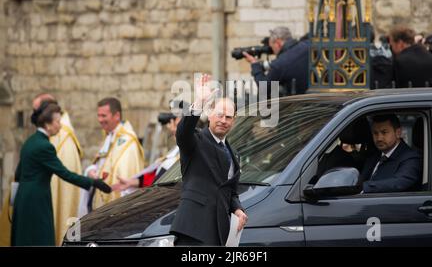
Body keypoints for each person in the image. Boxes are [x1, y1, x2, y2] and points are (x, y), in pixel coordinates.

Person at [11, 102, 111, 246]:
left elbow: (18, 173)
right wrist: (93, 183)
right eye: (58, 121)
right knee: (39, 238)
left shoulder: (30, 141)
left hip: (23, 198)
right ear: (48, 124)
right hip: (37, 200)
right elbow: (65, 174)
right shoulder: (45, 146)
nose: (60, 125)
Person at [170, 74, 247, 246]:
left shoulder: (233, 153)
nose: (223, 121)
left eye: (228, 117)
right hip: (193, 229)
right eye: (219, 115)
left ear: (234, 121)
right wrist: (199, 101)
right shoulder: (196, 140)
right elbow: (183, 133)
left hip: (218, 231)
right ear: (210, 114)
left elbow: (228, 190)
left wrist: (237, 208)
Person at [32, 93, 83, 246]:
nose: (33, 116)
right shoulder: (50, 132)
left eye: (36, 111)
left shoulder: (63, 135)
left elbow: (65, 176)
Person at [78, 97, 145, 216]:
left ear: (117, 116)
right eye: (98, 115)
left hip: (115, 209)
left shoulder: (128, 142)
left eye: (104, 116)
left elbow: (125, 174)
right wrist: (92, 171)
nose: (100, 119)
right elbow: (100, 163)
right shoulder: (110, 136)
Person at [112, 114, 182, 191]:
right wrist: (131, 182)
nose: (172, 129)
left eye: (176, 125)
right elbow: (155, 178)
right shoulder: (174, 152)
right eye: (174, 125)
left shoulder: (188, 154)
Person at [359, 114, 422, 194]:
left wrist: (364, 187)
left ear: (398, 133)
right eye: (375, 133)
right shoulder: (374, 156)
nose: (379, 138)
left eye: (384, 132)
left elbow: (399, 182)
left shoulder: (411, 158)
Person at [243, 26, 309, 97]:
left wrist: (254, 63)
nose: (273, 51)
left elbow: (264, 88)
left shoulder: (280, 64)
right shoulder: (307, 45)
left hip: (298, 105)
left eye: (272, 47)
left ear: (278, 43)